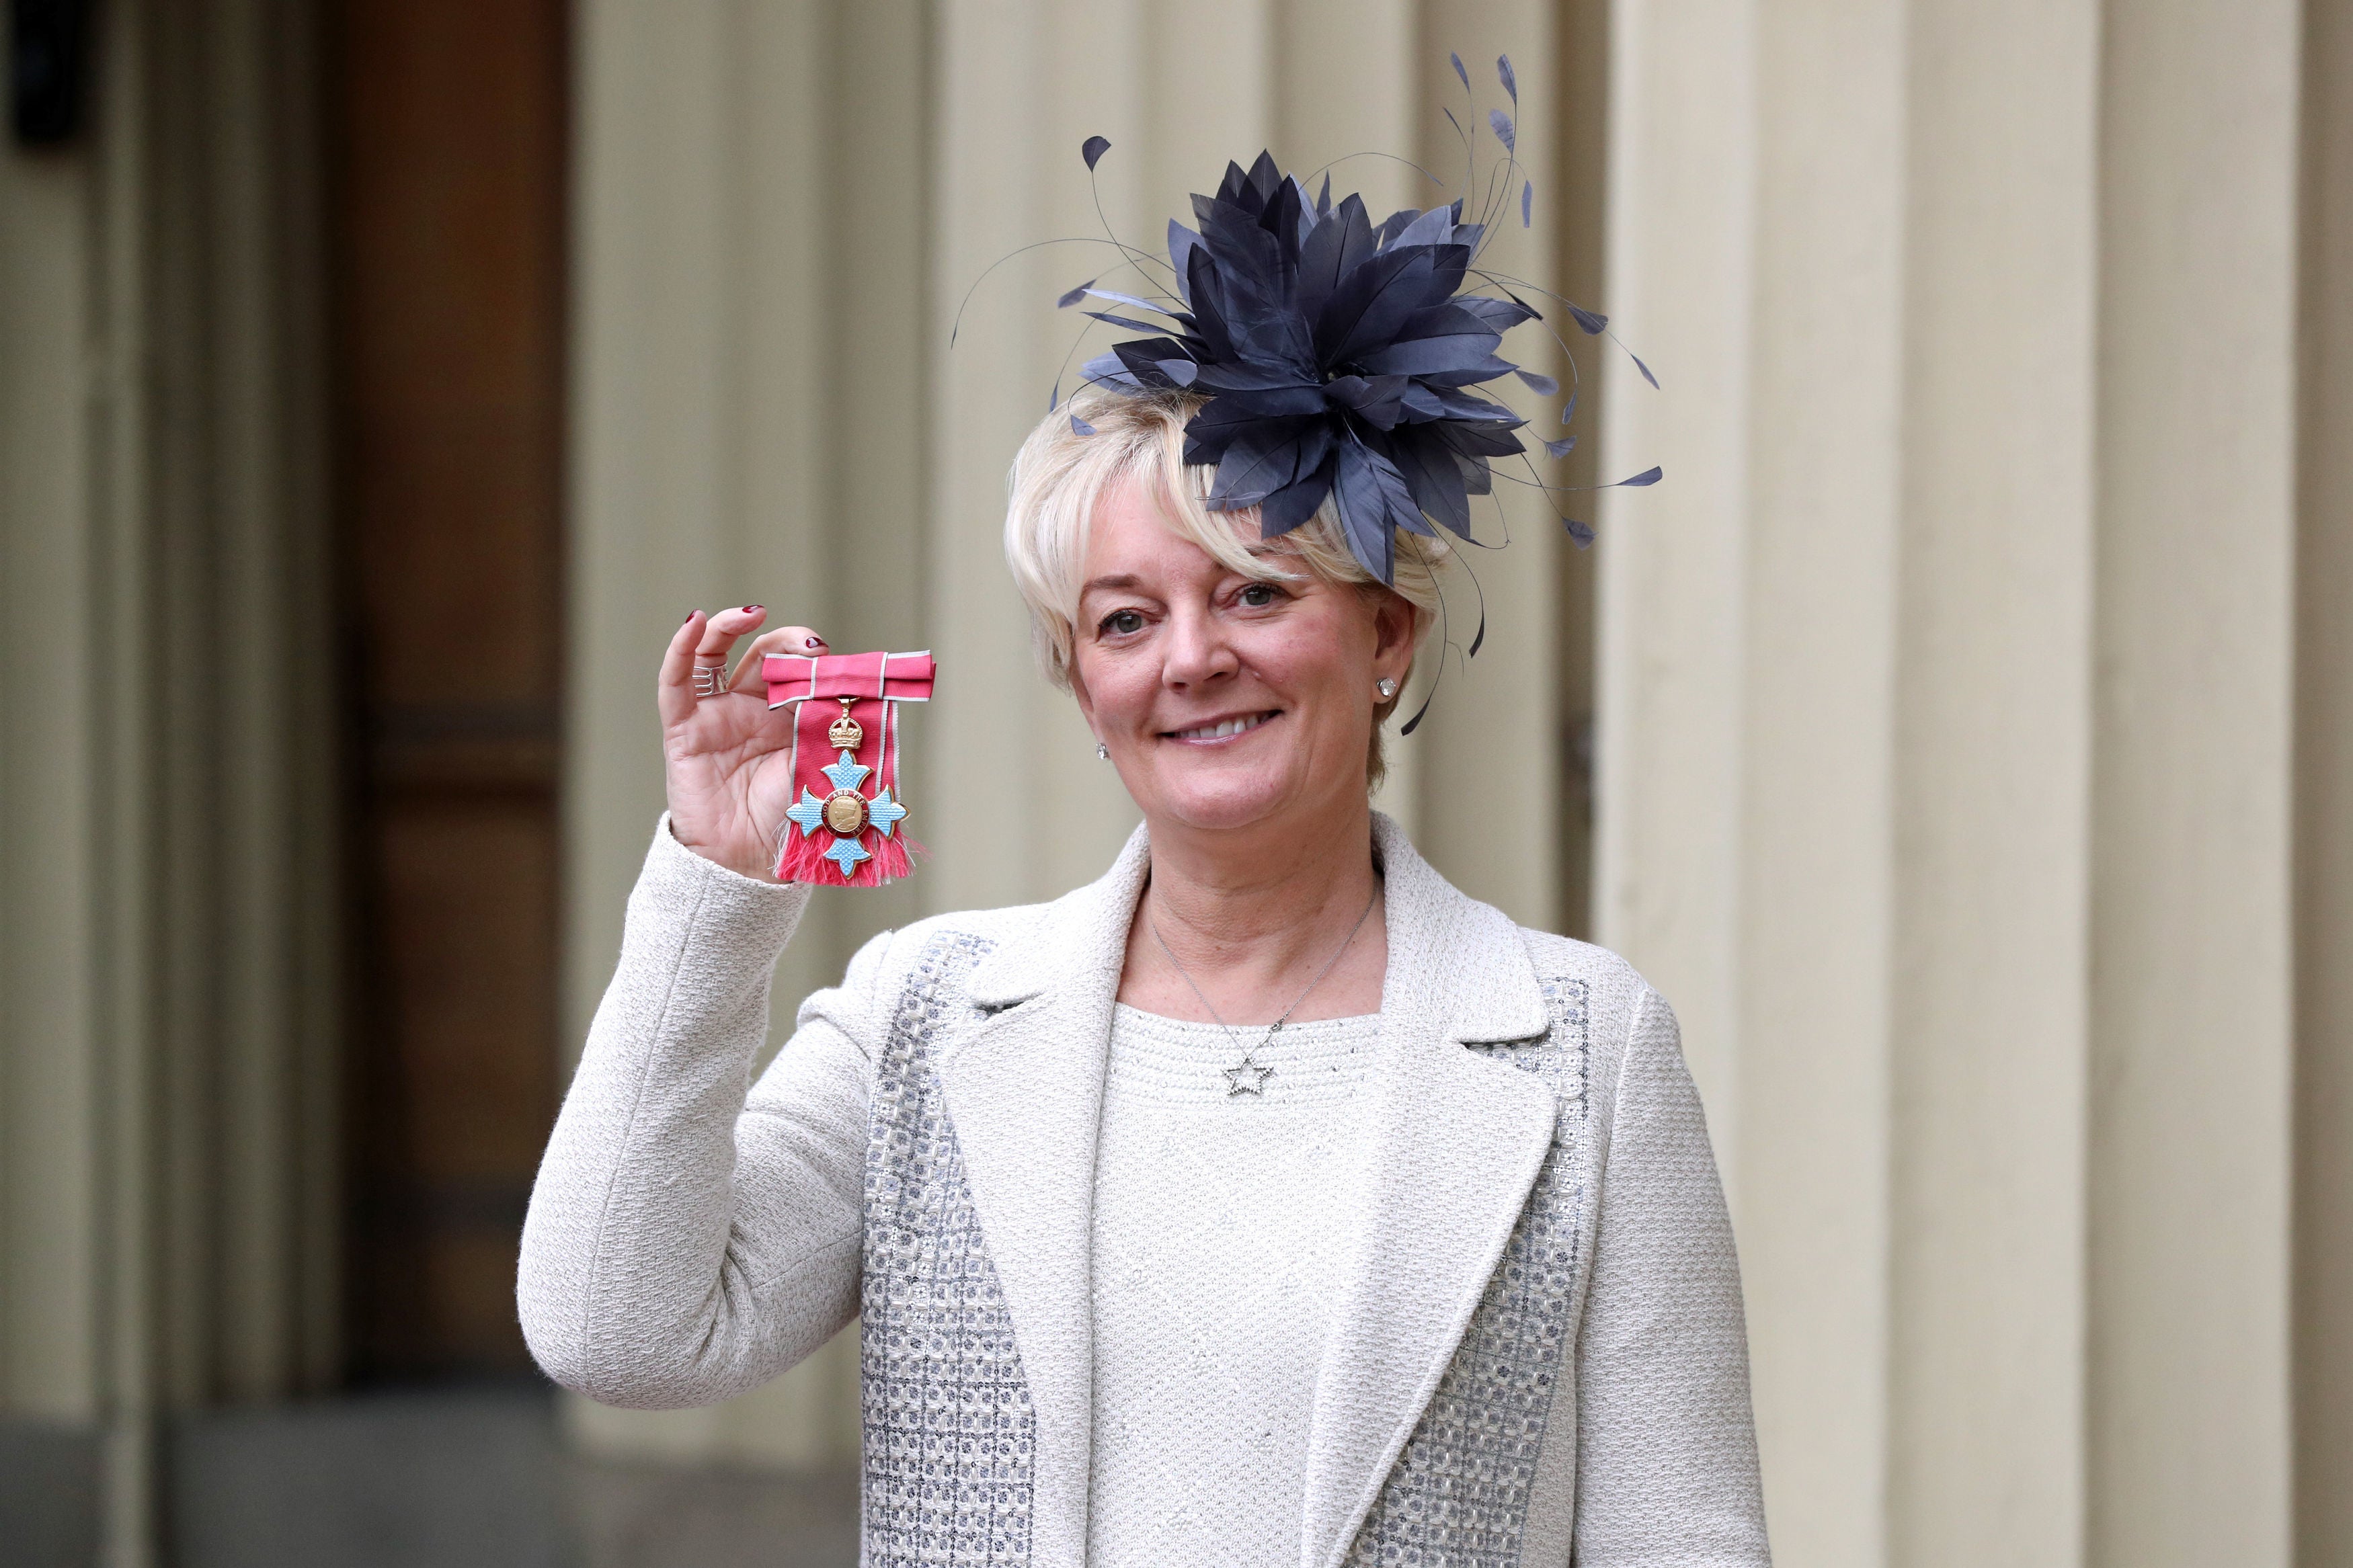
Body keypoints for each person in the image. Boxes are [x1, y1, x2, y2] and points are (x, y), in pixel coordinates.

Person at [520, 153, 1769, 1568]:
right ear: (1079, 682)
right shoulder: (923, 1015)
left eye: (1256, 590)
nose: (1192, 659)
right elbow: (616, 1330)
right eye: (1123, 620)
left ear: (1385, 639)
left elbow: (1682, 1538)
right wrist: (716, 888)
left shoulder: (1589, 1047)